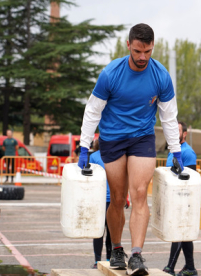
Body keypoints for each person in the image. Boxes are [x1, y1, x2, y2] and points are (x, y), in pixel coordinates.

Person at [78, 23, 182, 276]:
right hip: (112, 138)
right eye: (138, 51)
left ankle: (136, 254)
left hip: (142, 137)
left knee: (138, 194)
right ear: (129, 45)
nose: (143, 57)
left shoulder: (161, 76)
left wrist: (176, 151)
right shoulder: (111, 73)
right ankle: (116, 249)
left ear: (152, 47)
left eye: (147, 51)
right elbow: (93, 111)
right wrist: (83, 146)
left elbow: (169, 117)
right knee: (117, 197)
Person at [163, 121, 197, 276]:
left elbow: (191, 179)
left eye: (177, 130)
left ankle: (170, 267)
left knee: (179, 232)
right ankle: (190, 268)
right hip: (172, 198)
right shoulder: (172, 151)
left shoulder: (187, 152)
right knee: (184, 234)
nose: (174, 132)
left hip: (183, 199)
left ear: (184, 134)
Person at [89, 140, 112, 269]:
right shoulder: (94, 156)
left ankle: (109, 258)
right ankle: (97, 260)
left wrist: (125, 197)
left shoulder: (114, 155)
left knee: (111, 231)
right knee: (98, 231)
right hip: (98, 198)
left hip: (112, 199)